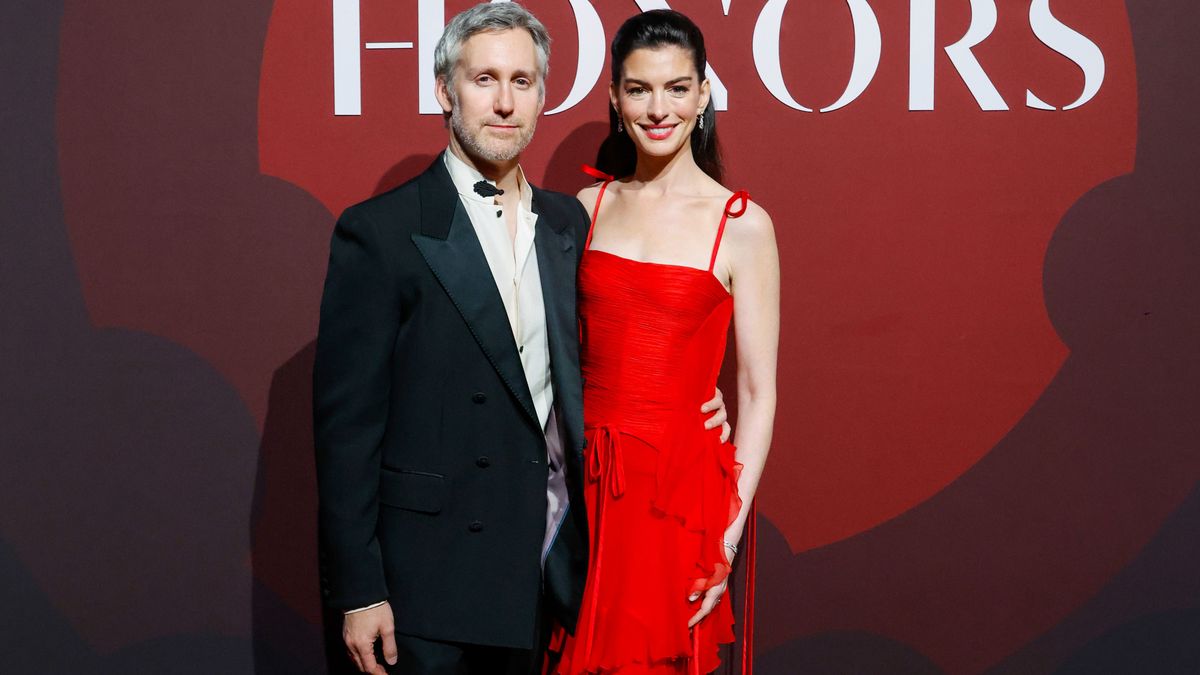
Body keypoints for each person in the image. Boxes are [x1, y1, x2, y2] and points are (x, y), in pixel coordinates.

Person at [313, 4, 728, 674]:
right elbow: (345, 433)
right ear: (446, 91)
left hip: (538, 579)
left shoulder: (569, 224)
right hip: (422, 592)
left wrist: (696, 401)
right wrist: (360, 589)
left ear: (542, 95)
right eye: (484, 80)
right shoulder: (381, 232)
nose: (505, 103)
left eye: (523, 82)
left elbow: (611, 353)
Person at [555, 10, 779, 675]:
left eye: (677, 88)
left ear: (704, 94)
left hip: (676, 502)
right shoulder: (585, 209)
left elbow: (758, 392)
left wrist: (728, 538)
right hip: (579, 489)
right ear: (616, 100)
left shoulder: (741, 224)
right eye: (640, 89)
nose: (659, 108)